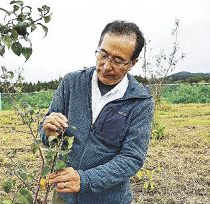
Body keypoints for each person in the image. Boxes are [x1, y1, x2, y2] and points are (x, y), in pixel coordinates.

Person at [39, 20, 154, 204]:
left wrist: (85, 180)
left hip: (108, 199)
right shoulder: (71, 83)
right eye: (103, 54)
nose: (107, 66)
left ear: (132, 63)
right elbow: (45, 132)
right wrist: (47, 129)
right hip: (64, 195)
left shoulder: (139, 101)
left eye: (118, 61)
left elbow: (131, 158)